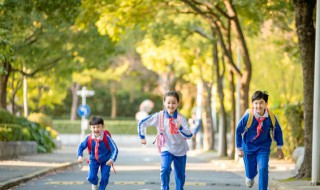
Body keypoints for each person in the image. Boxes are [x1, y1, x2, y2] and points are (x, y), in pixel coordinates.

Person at [138, 91, 193, 190]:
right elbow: (142, 123)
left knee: (180, 175)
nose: (171, 105)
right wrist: (142, 137)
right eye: (168, 102)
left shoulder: (181, 119)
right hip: (166, 148)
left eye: (173, 103)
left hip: (180, 150)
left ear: (178, 104)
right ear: (164, 102)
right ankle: (164, 188)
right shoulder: (159, 117)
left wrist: (181, 129)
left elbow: (189, 135)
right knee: (165, 169)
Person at [236, 91, 284, 190]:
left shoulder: (271, 117)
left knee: (263, 168)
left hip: (263, 147)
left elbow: (278, 131)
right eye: (256, 103)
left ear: (266, 104)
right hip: (248, 147)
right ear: (252, 104)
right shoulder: (248, 117)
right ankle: (250, 177)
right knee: (250, 172)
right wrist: (239, 148)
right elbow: (238, 131)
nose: (258, 106)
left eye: (261, 102)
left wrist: (279, 148)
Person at [77, 116, 118, 190]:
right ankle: (95, 181)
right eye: (94, 127)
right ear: (90, 128)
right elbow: (81, 146)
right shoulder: (89, 138)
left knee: (105, 178)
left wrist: (112, 159)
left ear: (103, 127)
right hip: (94, 160)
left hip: (106, 161)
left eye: (98, 127)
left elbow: (114, 149)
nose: (96, 129)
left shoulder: (106, 137)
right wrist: (80, 156)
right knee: (91, 177)